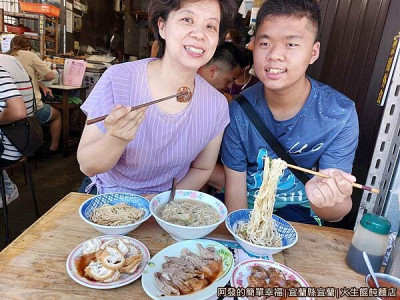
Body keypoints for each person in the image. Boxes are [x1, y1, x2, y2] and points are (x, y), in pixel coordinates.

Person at [77, 0, 236, 197]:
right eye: (187, 19)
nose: (199, 34)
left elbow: (202, 169)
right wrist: (115, 138)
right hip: (108, 200)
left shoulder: (216, 105)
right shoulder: (118, 78)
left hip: (166, 206)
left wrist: (160, 202)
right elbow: (88, 166)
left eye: (210, 26)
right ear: (162, 26)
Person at [221, 0, 359, 224]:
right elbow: (235, 197)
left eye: (291, 44)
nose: (275, 54)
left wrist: (327, 199)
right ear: (253, 45)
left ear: (313, 52)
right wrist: (244, 236)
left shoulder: (338, 113)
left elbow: (336, 214)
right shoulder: (239, 111)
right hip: (248, 212)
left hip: (301, 215)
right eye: (265, 43)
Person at [9, 35, 62, 153]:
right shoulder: (29, 55)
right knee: (57, 115)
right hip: (30, 110)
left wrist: (40, 85)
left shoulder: (7, 56)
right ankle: (54, 147)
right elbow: (50, 75)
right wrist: (38, 75)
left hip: (10, 110)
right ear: (28, 47)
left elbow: (22, 78)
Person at [0, 54, 35, 207]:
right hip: (24, 137)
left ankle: (7, 190)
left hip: (11, 145)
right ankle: (7, 188)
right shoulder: (12, 62)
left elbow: (18, 111)